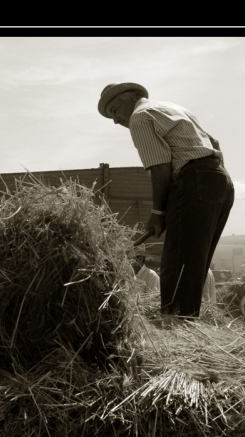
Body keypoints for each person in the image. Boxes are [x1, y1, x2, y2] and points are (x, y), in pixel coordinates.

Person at [98, 82, 234, 318]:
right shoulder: (173, 109)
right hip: (221, 180)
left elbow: (161, 166)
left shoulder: (140, 117)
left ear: (128, 99)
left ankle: (176, 324)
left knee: (177, 262)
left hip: (194, 179)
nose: (116, 121)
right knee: (195, 261)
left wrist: (158, 213)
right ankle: (186, 320)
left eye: (114, 112)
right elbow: (215, 143)